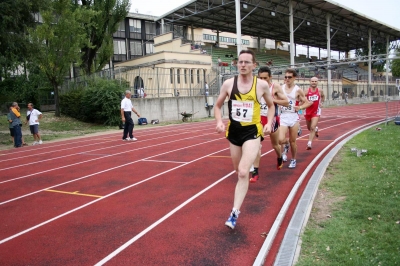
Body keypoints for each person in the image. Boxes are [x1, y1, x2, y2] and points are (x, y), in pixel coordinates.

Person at [214, 49, 275, 229]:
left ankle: (234, 213)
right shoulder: (228, 84)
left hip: (252, 132)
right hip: (234, 132)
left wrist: (269, 123)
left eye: (247, 62)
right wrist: (219, 122)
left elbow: (271, 106)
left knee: (242, 171)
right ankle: (244, 183)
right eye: (240, 62)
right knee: (238, 171)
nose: (243, 65)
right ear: (236, 64)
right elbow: (217, 106)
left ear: (254, 65)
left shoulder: (261, 85)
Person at [250, 66, 289, 183]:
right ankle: (255, 172)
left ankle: (279, 157)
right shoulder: (254, 86)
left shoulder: (275, 87)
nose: (263, 80)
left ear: (270, 77)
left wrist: (272, 100)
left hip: (272, 118)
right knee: (256, 146)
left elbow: (286, 102)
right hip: (258, 118)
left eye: (265, 78)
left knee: (275, 145)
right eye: (260, 78)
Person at [279, 68, 310, 169]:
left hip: (293, 117)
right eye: (286, 77)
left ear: (294, 78)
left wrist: (300, 107)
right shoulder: (280, 88)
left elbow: (308, 102)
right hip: (283, 115)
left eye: (289, 77)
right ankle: (286, 144)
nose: (287, 79)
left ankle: (293, 159)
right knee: (280, 139)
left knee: (293, 141)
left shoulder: (298, 90)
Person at [304, 77, 325, 150]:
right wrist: (303, 103)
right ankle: (316, 129)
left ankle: (309, 143)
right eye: (312, 81)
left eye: (315, 81)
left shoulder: (320, 90)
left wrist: (321, 102)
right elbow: (301, 98)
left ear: (317, 82)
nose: (314, 82)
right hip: (308, 111)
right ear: (310, 81)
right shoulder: (306, 91)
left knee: (312, 127)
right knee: (309, 128)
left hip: (316, 111)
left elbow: (323, 96)